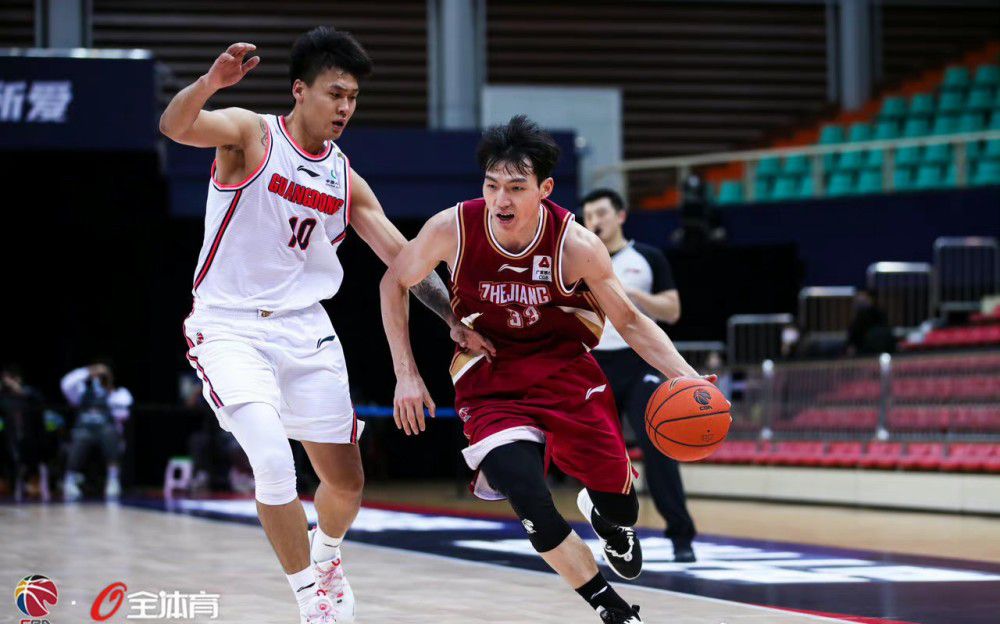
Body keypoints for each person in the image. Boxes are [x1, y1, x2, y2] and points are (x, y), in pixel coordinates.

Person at [158, 27, 488, 624]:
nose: (344, 107)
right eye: (334, 93)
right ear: (299, 91)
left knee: (348, 484)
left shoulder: (343, 179)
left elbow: (403, 258)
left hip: (306, 329)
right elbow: (176, 127)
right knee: (272, 459)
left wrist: (455, 320)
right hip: (230, 327)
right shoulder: (250, 135)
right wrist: (210, 84)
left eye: (353, 97)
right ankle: (312, 600)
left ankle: (328, 554)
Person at [380, 115, 708, 624]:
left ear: (545, 188)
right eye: (492, 186)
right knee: (527, 494)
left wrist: (684, 376)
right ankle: (609, 606)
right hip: (490, 377)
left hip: (566, 372)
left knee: (621, 503)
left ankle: (611, 520)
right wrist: (409, 370)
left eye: (516, 187)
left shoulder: (575, 245)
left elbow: (631, 321)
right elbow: (395, 282)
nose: (501, 200)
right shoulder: (453, 228)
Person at [581, 188, 699, 563]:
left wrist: (629, 294)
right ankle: (614, 532)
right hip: (594, 363)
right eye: (588, 215)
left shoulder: (647, 257)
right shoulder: (577, 259)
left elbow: (674, 310)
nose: (594, 221)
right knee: (600, 455)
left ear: (620, 216)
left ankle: (681, 536)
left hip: (638, 362)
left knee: (660, 444)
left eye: (601, 213)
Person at [60, 362, 132, 501]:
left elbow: (124, 414)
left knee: (111, 434)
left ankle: (113, 480)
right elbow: (66, 384)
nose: (99, 380)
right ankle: (70, 480)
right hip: (84, 430)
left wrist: (110, 390)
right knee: (79, 437)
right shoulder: (81, 392)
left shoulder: (118, 394)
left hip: (106, 430)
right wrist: (88, 371)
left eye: (103, 376)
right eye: (98, 376)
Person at [0, 363, 48, 501]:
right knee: (10, 458)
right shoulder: (4, 396)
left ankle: (33, 483)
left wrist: (17, 389)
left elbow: (40, 402)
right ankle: (9, 483)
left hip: (32, 435)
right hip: (10, 435)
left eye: (8, 378)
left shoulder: (30, 393)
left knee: (32, 459)